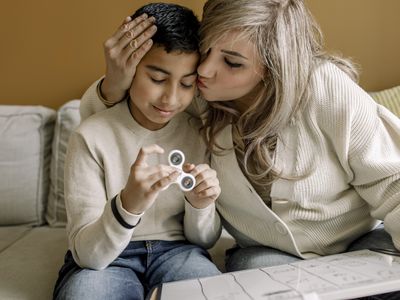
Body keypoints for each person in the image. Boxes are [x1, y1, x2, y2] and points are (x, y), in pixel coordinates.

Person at [79, 0, 400, 275]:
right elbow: (111, 128)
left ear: (275, 68)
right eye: (206, 50)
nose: (204, 70)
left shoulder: (325, 87)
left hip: (362, 242)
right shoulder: (194, 96)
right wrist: (115, 81)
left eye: (232, 62)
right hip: (265, 256)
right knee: (252, 272)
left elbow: (394, 186)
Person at [53, 3, 222, 300]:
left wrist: (199, 205)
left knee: (215, 292)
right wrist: (128, 205)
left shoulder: (199, 131)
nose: (170, 98)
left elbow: (205, 240)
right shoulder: (91, 136)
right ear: (129, 69)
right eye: (157, 79)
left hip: (179, 252)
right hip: (108, 258)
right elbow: (89, 256)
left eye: (186, 83)